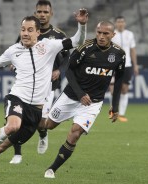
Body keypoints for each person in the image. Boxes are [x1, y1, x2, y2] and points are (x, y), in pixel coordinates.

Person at [0, 11, 88, 171]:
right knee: (12, 126)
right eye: (23, 29)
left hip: (36, 109)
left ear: (38, 32)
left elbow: (77, 41)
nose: (25, 33)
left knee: (4, 146)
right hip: (17, 98)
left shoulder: (49, 46)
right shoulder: (13, 51)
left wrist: (81, 24)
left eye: (30, 30)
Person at [43, 20, 126, 179]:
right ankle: (41, 132)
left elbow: (120, 80)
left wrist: (115, 107)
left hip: (92, 103)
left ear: (113, 35)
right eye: (99, 32)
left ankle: (52, 169)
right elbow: (69, 71)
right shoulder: (85, 47)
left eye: (105, 33)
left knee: (75, 134)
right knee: (49, 125)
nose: (101, 36)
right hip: (71, 96)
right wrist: (80, 94)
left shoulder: (119, 54)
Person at [9, 0, 69, 164]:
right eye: (39, 12)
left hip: (48, 85)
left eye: (45, 12)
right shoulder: (27, 33)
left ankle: (42, 134)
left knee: (41, 122)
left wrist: (59, 70)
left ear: (51, 14)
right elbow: (16, 53)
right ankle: (17, 154)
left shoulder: (58, 34)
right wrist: (13, 64)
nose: (42, 15)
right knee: (17, 119)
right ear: (35, 13)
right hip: (26, 85)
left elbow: (69, 56)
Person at [109, 16, 138, 122]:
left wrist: (135, 65)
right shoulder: (112, 35)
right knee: (112, 90)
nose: (120, 23)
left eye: (122, 22)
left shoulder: (130, 34)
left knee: (125, 89)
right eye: (118, 22)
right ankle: (113, 111)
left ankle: (121, 113)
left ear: (124, 23)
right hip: (113, 66)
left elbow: (133, 50)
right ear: (115, 23)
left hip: (127, 65)